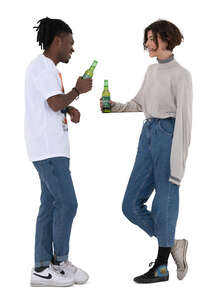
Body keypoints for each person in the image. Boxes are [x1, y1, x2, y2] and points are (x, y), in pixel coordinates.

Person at [100, 19, 192, 284]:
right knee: (130, 204)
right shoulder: (152, 71)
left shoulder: (181, 75)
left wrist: (179, 162)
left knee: (164, 201)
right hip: (148, 134)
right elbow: (139, 103)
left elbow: (185, 121)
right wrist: (114, 107)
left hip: (168, 135)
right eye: (147, 39)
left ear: (166, 39)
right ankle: (174, 244)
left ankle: (162, 267)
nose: (147, 44)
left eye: (152, 38)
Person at [24, 17, 92, 287]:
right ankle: (59, 261)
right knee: (67, 203)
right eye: (71, 43)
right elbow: (53, 102)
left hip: (52, 149)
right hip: (48, 150)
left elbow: (53, 104)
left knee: (50, 205)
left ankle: (43, 267)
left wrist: (68, 107)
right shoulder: (42, 68)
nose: (72, 49)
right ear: (58, 41)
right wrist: (76, 91)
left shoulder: (47, 69)